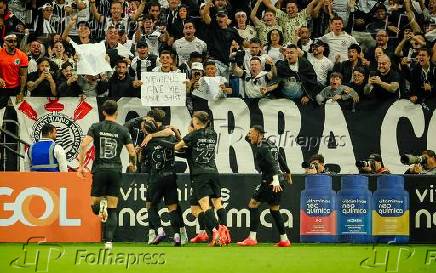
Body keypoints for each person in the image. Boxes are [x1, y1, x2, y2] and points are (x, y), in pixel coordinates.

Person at [77, 100, 137, 250]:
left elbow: (84, 145)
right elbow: (131, 151)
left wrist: (81, 167)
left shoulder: (96, 127)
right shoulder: (123, 130)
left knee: (94, 205)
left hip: (100, 170)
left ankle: (100, 208)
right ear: (117, 113)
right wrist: (132, 164)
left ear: (103, 112)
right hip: (115, 170)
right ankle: (109, 243)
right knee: (113, 209)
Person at [174, 111, 229, 246]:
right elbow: (193, 148)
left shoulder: (193, 135)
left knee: (205, 206)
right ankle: (224, 230)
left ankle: (217, 233)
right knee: (216, 204)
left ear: (196, 122)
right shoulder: (213, 134)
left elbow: (177, 147)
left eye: (193, 121)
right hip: (213, 172)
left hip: (200, 174)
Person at [237, 125, 292, 247]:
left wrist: (276, 180)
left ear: (258, 133)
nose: (249, 135)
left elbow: (273, 163)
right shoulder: (271, 144)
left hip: (271, 181)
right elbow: (280, 160)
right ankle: (284, 240)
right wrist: (287, 172)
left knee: (253, 204)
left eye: (251, 132)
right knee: (274, 209)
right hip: (279, 180)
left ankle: (252, 238)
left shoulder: (262, 147)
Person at [141, 120, 187, 246]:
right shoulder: (170, 137)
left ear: (145, 131)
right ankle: (177, 236)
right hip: (171, 177)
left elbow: (144, 165)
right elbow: (181, 146)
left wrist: (140, 152)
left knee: (151, 206)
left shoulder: (147, 143)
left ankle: (160, 231)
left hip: (156, 178)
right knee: (172, 208)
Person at [0, 33, 28, 107]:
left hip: (16, 87)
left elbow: (23, 75)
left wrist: (21, 92)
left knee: (15, 110)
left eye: (15, 41)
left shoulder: (22, 55)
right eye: (10, 41)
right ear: (5, 42)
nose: (13, 43)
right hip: (2, 87)